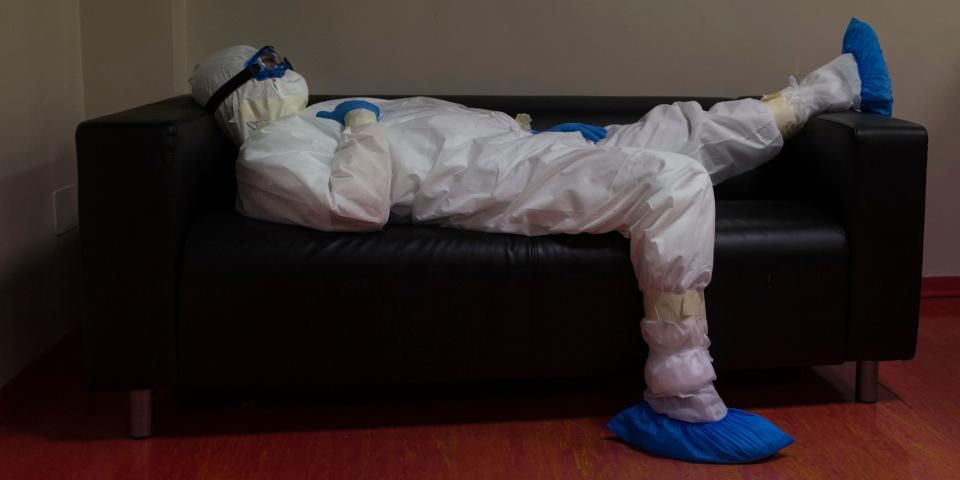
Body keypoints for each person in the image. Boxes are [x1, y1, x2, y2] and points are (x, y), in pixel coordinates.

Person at [189, 17, 892, 463]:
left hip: (519, 154)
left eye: (278, 57)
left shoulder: (317, 114)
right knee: (672, 179)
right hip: (488, 188)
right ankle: (679, 398)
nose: (282, 69)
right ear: (237, 98)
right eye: (266, 64)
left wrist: (534, 132)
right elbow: (356, 204)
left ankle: (834, 89)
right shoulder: (267, 154)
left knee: (677, 127)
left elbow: (441, 124)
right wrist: (365, 124)